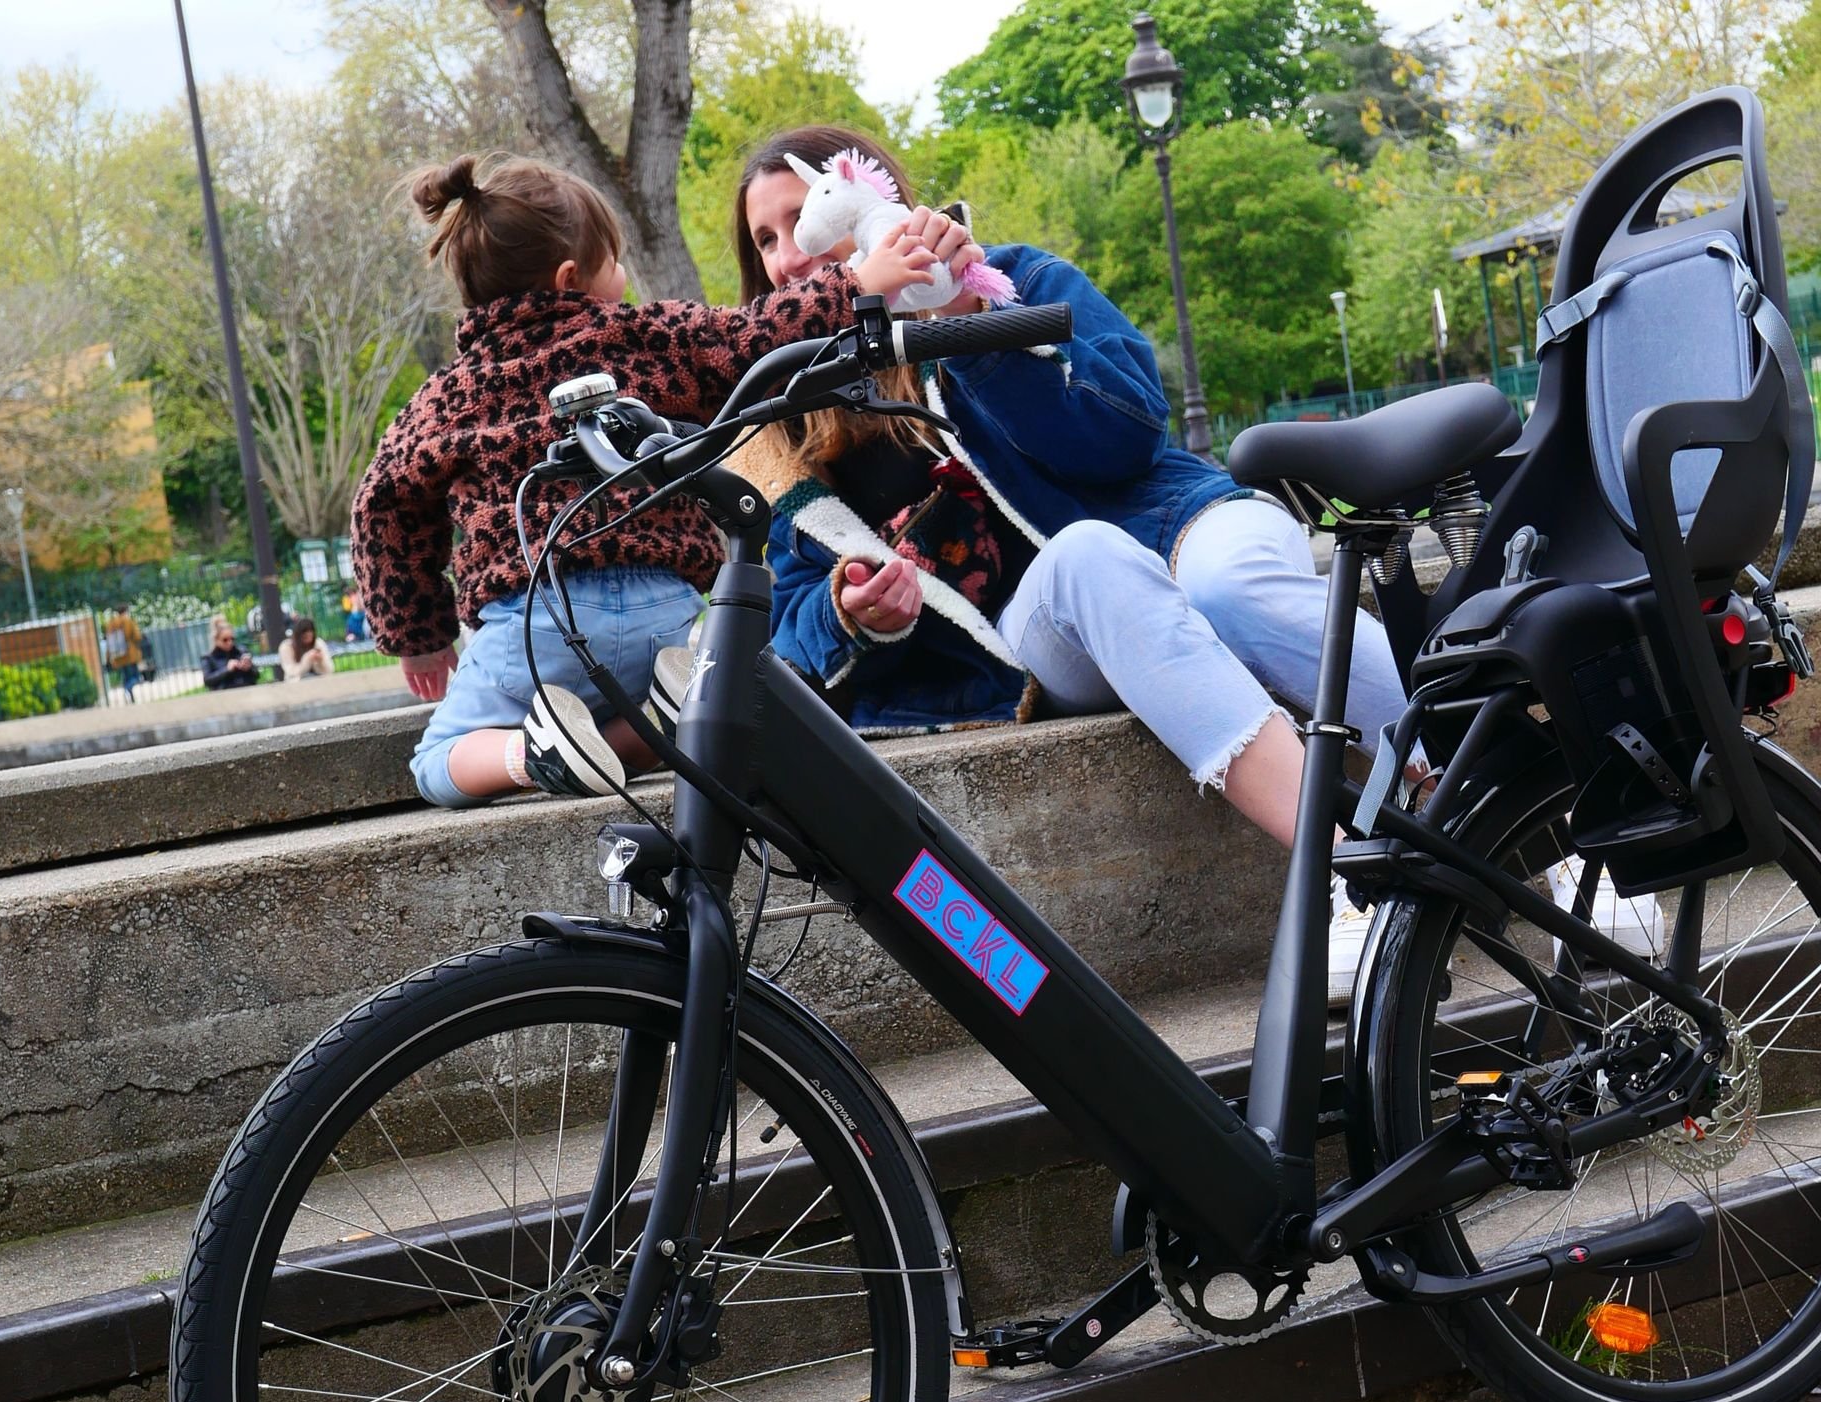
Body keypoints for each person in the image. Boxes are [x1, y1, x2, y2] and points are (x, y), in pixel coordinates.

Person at [725, 125, 1435, 998]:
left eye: (799, 220)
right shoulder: (780, 423)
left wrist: (971, 324)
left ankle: (1508, 796)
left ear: (869, 202)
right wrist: (851, 613)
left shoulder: (1012, 278)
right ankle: (1353, 871)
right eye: (764, 242)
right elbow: (787, 637)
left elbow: (1131, 430)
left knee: (1224, 589)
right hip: (1044, 643)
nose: (788, 257)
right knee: (1086, 559)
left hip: (1181, 525)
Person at [352, 151, 978, 809]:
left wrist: (418, 639)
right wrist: (858, 283)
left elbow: (382, 507)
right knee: (688, 720)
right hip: (669, 617)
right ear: (571, 279)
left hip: (538, 619)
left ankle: (531, 752)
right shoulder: (650, 337)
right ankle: (648, 720)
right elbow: (757, 335)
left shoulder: (448, 397)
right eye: (614, 262)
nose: (624, 277)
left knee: (436, 763)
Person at [202, 615, 261, 691]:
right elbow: (208, 681)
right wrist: (227, 669)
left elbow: (257, 675)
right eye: (225, 640)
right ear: (216, 640)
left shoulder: (241, 652)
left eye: (232, 639)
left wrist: (248, 668)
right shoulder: (209, 658)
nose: (230, 643)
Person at [102, 604, 147, 701]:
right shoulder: (128, 621)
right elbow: (137, 636)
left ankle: (130, 696)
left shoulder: (111, 623)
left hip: (118, 655)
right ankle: (128, 688)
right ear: (126, 610)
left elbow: (109, 641)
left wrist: (108, 657)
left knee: (126, 676)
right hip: (130, 654)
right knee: (136, 677)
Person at [279, 616, 333, 680]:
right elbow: (291, 672)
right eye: (305, 636)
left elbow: (329, 670)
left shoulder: (318, 643)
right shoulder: (286, 647)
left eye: (311, 633)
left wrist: (321, 661)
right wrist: (307, 659)